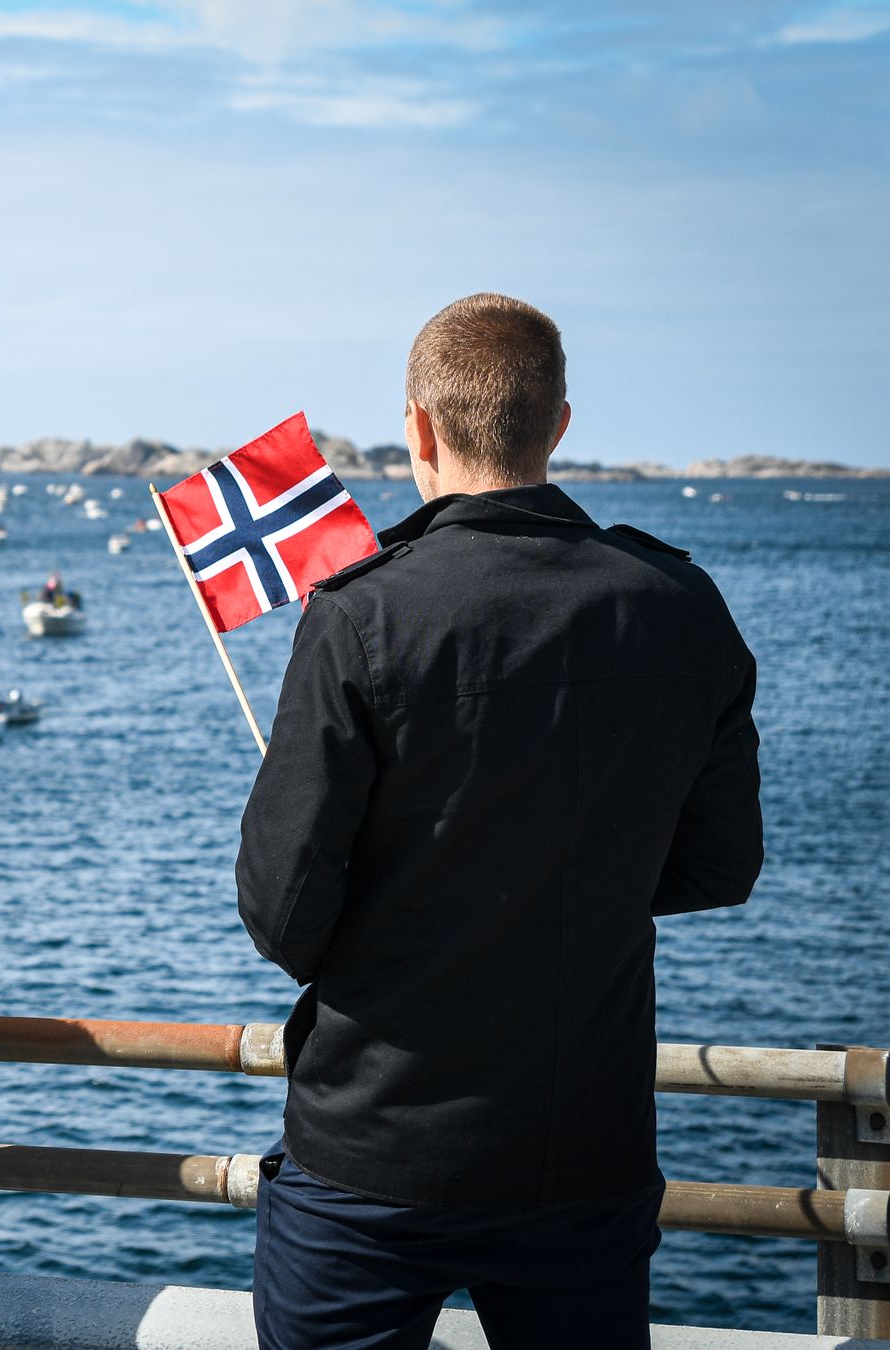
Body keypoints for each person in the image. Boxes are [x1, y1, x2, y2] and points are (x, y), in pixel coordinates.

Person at [237, 293, 762, 1348]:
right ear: (558, 425)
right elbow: (719, 867)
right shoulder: (676, 607)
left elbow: (282, 917)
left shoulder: (359, 616)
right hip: (581, 1154)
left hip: (372, 1152)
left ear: (417, 429)